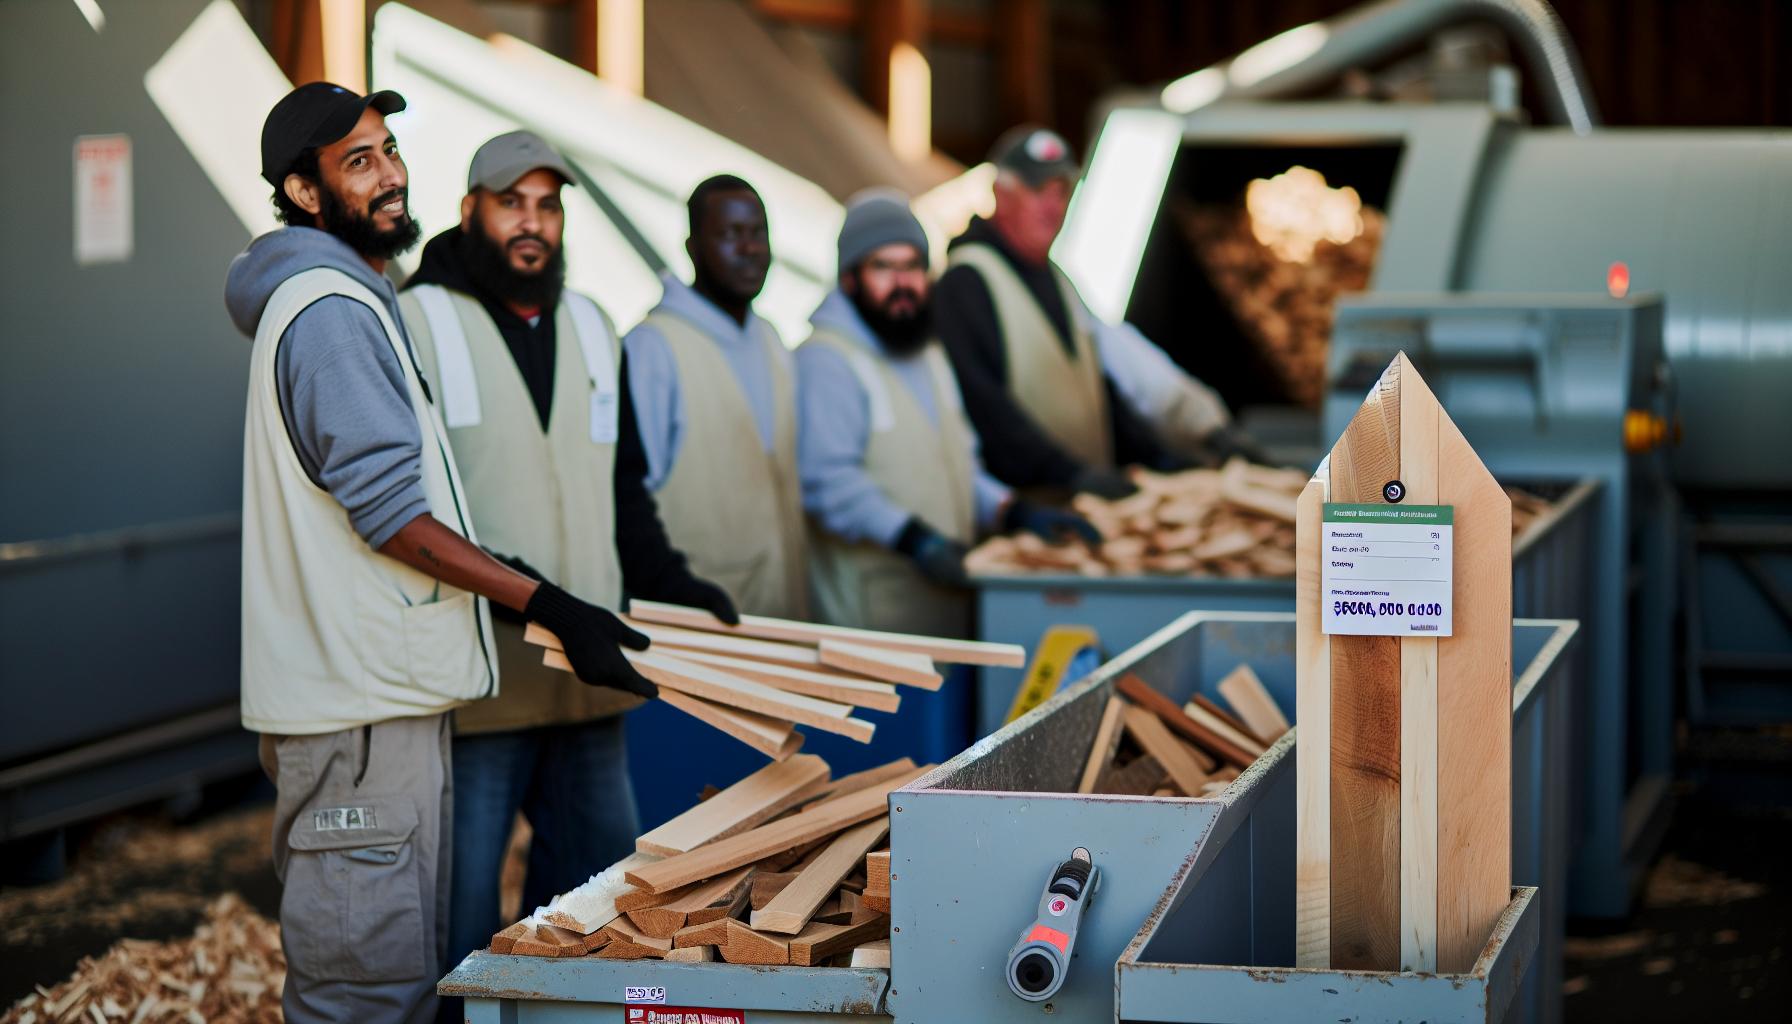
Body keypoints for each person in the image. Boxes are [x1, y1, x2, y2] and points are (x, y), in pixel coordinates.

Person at [226, 84, 654, 1024]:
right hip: (360, 711)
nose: (388, 176)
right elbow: (391, 517)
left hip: (384, 706)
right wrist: (544, 602)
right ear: (303, 193)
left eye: (388, 150)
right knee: (369, 996)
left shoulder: (353, 299)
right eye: (357, 162)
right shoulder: (334, 312)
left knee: (403, 984)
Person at [394, 131, 737, 995]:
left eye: (548, 206)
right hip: (477, 691)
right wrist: (547, 607)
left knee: (597, 913)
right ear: (470, 209)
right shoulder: (416, 321)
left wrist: (673, 582)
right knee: (461, 927)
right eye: (512, 203)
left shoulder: (590, 325)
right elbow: (415, 516)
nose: (532, 224)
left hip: (587, 684)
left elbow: (621, 490)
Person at [797, 191, 1096, 635]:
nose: (903, 283)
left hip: (942, 614)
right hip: (871, 626)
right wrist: (915, 540)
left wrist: (1010, 511)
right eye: (883, 267)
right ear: (849, 279)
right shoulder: (826, 360)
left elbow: (959, 465)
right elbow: (828, 483)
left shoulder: (928, 354)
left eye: (913, 266)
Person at [934, 126, 1259, 496]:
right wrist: (1068, 474)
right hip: (1028, 511)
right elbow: (986, 407)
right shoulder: (966, 283)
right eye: (1038, 191)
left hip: (1080, 502)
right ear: (1001, 194)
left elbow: (1097, 384)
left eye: (1062, 193)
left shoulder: (1057, 279)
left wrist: (1158, 456)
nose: (1052, 207)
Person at [623, 175, 807, 617]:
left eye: (757, 233)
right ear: (692, 247)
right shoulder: (654, 346)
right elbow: (631, 493)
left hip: (782, 613)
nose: (749, 249)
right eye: (729, 234)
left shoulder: (771, 340)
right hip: (696, 616)